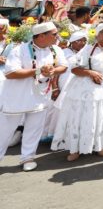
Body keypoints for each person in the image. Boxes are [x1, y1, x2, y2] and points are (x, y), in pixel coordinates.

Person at [0, 22, 68, 171]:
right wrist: (38, 71)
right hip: (16, 97)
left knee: (34, 128)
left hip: (40, 97)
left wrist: (53, 71)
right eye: (54, 34)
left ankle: (27, 158)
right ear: (41, 36)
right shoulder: (20, 49)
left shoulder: (55, 49)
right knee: (4, 131)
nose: (57, 37)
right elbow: (10, 73)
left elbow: (64, 66)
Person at [51, 23, 103, 161]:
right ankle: (75, 148)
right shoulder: (88, 50)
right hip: (87, 90)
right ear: (97, 34)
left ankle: (101, 146)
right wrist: (90, 72)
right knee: (83, 118)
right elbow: (74, 69)